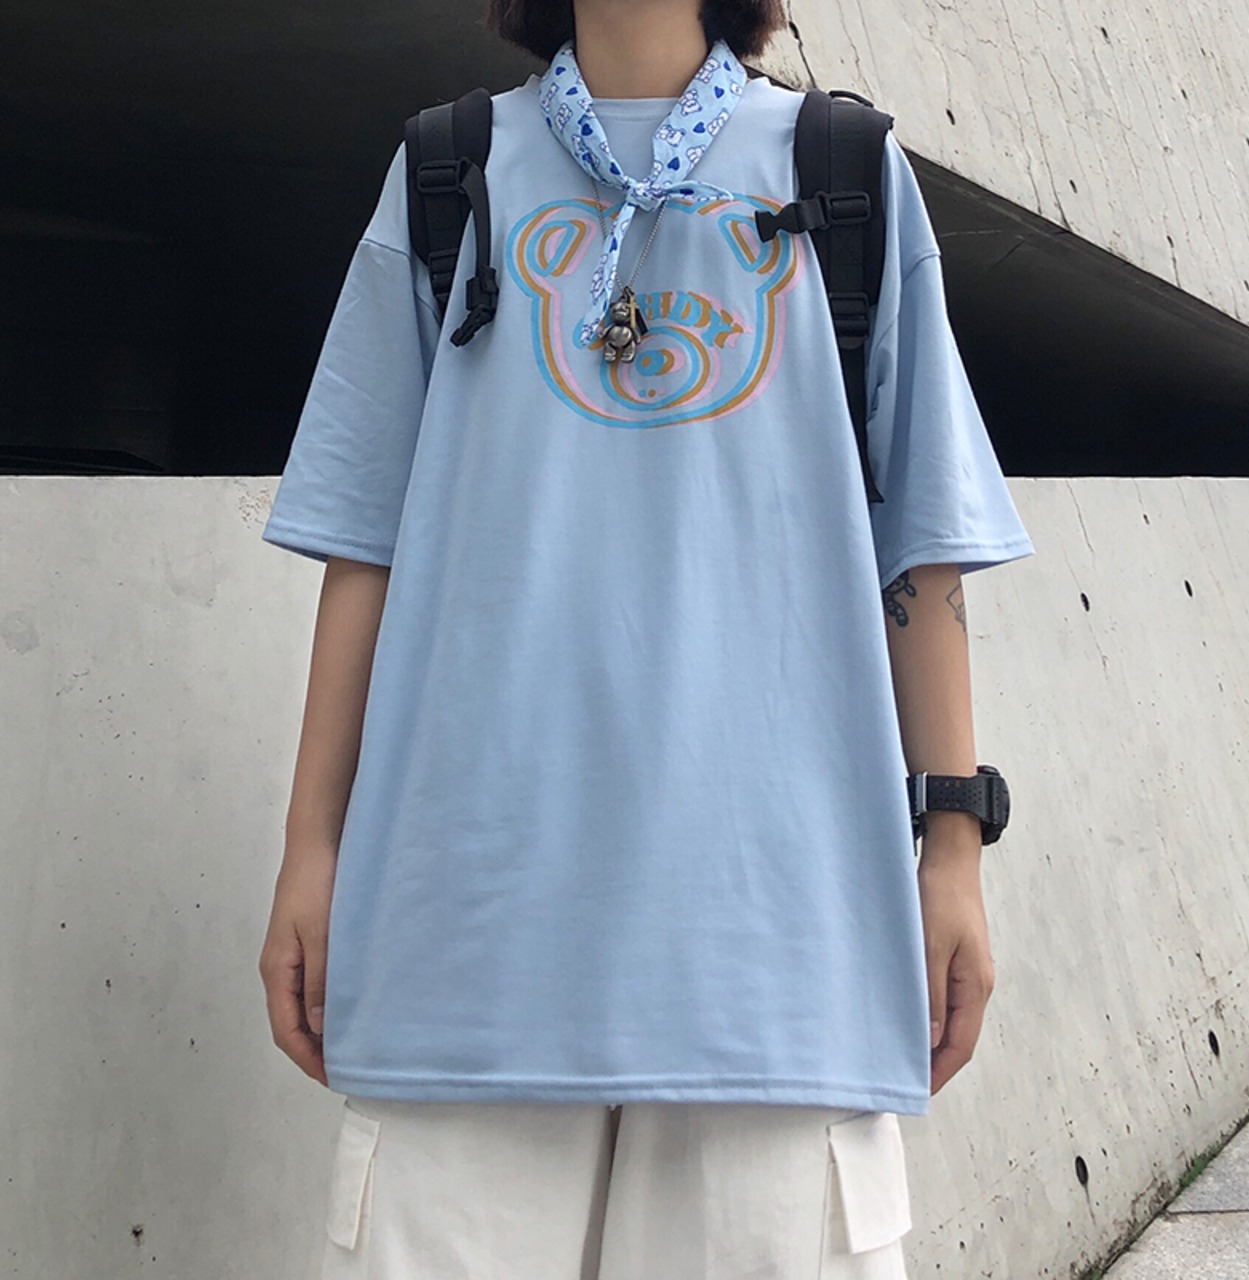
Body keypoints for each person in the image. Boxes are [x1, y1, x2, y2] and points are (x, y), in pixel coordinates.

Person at [257, 0, 1035, 1276]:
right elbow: (365, 543)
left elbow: (920, 545)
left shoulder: (839, 171)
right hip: (470, 926)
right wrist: (310, 847)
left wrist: (952, 849)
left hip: (770, 935)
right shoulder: (450, 168)